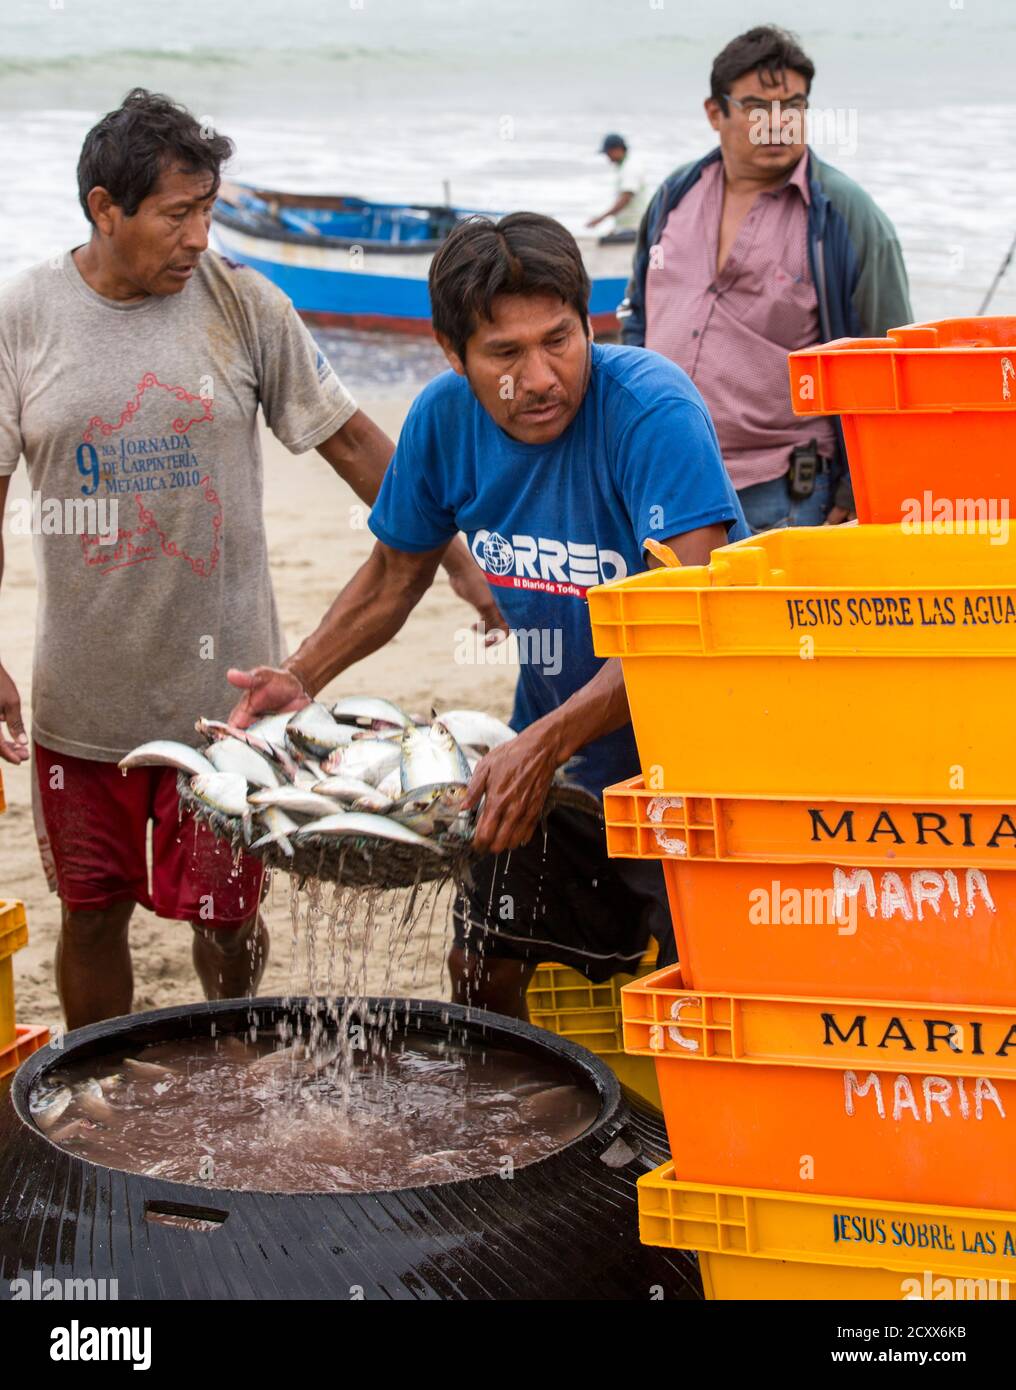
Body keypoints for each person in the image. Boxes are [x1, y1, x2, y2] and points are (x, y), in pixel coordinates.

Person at [0, 89, 498, 1028]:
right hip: (82, 700)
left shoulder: (241, 300)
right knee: (91, 913)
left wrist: (455, 559)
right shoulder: (22, 318)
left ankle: (228, 1061)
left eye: (209, 209)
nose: (199, 235)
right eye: (178, 213)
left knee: (228, 925)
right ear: (106, 209)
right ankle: (98, 1077)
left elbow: (350, 440)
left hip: (227, 707)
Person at [227, 212, 749, 1020]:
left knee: (701, 992)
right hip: (548, 755)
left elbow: (684, 623)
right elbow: (395, 574)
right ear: (452, 353)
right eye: (505, 354)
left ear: (591, 324)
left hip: (704, 766)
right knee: (481, 966)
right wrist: (300, 676)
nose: (539, 377)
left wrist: (547, 744)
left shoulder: (652, 412)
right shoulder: (443, 420)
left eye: (559, 340)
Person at [620, 25, 913, 531]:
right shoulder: (673, 196)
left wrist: (855, 488)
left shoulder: (846, 217)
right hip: (663, 476)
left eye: (794, 106)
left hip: (787, 492)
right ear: (716, 113)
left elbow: (890, 363)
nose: (778, 124)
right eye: (757, 108)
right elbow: (637, 320)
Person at [586, 134, 648, 241]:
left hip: (634, 227)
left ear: (617, 149)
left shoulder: (630, 168)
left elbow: (625, 199)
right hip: (627, 226)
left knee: (603, 242)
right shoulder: (624, 166)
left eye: (608, 153)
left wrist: (600, 218)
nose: (607, 157)